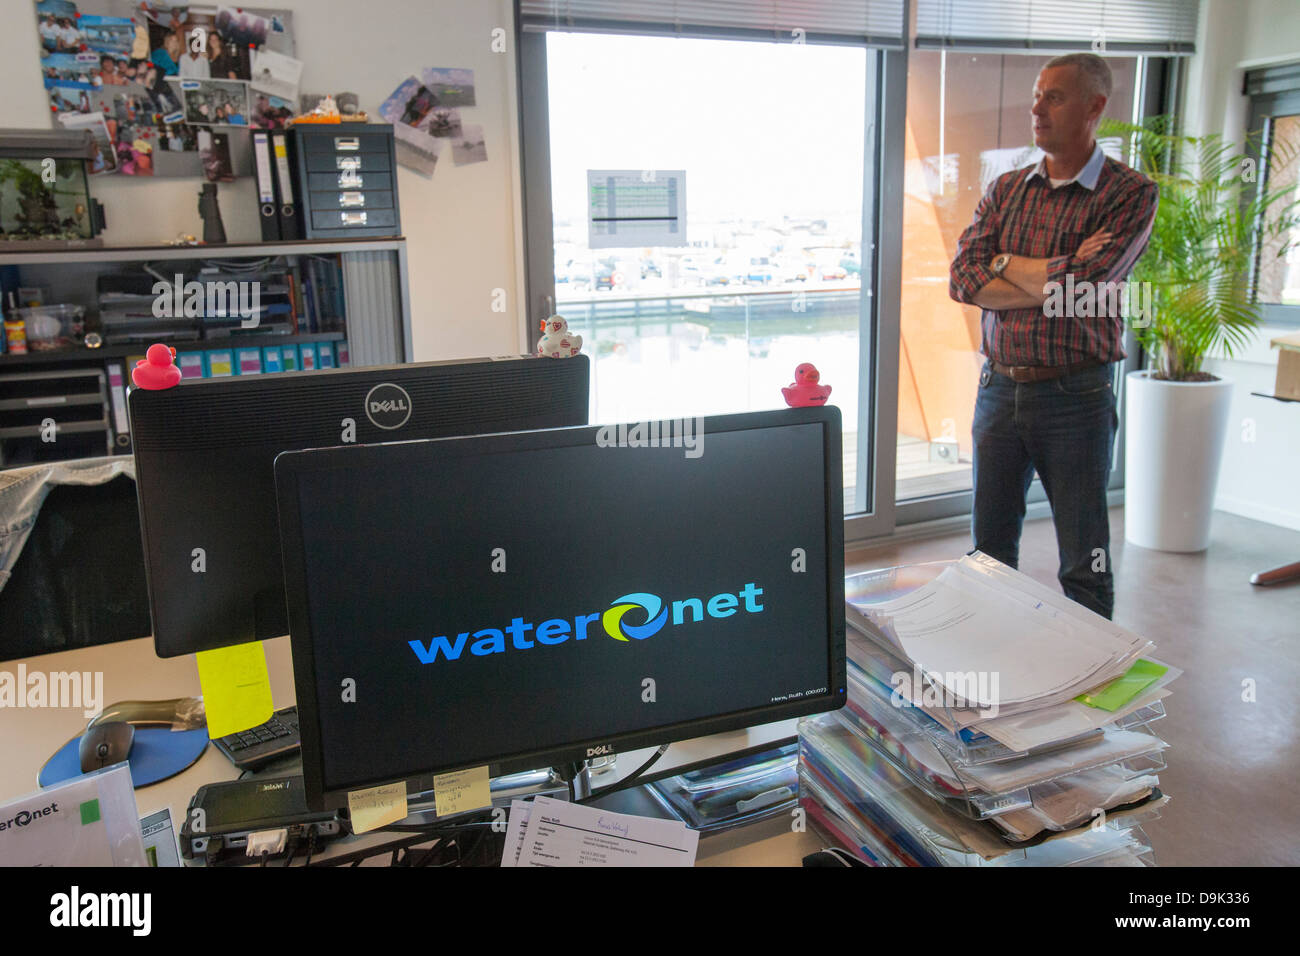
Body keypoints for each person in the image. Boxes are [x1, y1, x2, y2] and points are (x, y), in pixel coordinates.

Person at [947, 53, 1158, 620]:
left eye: (1054, 97)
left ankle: (1093, 697)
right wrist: (1048, 274)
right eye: (1037, 95)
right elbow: (963, 278)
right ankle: (995, 678)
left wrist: (1008, 263)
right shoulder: (1007, 188)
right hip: (997, 389)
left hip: (1075, 398)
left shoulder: (1129, 193)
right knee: (988, 555)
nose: (1036, 108)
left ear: (1095, 107)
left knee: (1083, 564)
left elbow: (1087, 282)